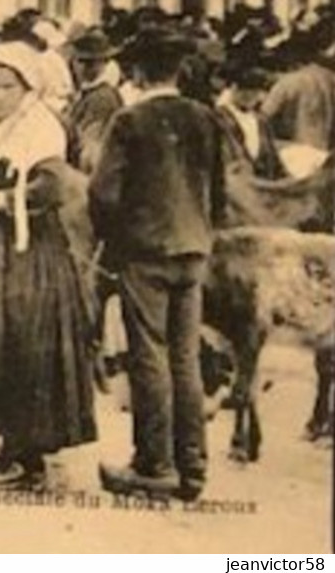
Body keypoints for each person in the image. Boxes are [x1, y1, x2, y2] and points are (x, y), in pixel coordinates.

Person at [0, 41, 98, 491]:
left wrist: (5, 201)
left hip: (29, 253)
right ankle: (10, 443)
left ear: (26, 87)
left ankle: (30, 458)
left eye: (7, 87)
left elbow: (52, 185)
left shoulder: (41, 127)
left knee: (22, 338)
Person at [91, 26, 229, 502]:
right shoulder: (206, 119)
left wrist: (112, 242)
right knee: (185, 357)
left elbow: (103, 194)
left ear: (137, 71)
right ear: (178, 70)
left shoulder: (129, 122)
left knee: (148, 355)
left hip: (144, 252)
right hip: (193, 250)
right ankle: (193, 467)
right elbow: (220, 193)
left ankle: (154, 464)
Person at [261, 10, 335, 156]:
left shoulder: (288, 83)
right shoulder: (330, 79)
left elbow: (263, 120)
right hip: (325, 156)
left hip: (294, 155)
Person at [63, 29, 123, 174]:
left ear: (104, 63)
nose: (84, 68)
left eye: (91, 63)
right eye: (80, 61)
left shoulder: (103, 97)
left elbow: (89, 144)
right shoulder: (86, 92)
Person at [216, 62, 286, 180]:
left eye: (254, 91)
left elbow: (273, 159)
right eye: (243, 90)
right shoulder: (219, 118)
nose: (249, 95)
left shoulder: (262, 122)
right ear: (233, 88)